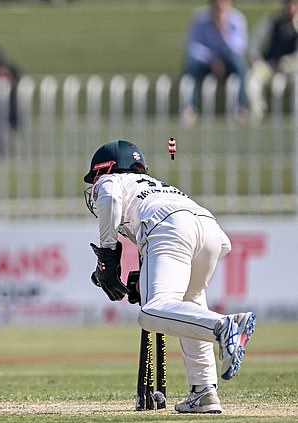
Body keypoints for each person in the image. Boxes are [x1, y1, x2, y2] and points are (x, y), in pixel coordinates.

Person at [83, 139, 256, 414]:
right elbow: (222, 244)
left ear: (107, 169)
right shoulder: (158, 185)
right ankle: (204, 391)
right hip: (209, 229)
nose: (94, 184)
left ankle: (225, 326)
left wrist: (106, 255)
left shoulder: (112, 180)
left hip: (167, 226)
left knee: (152, 312)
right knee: (190, 302)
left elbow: (109, 197)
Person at [182, 0, 249, 123]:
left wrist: (223, 30)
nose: (220, 7)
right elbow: (193, 47)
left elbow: (238, 47)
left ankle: (240, 107)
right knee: (191, 65)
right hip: (207, 62)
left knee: (240, 65)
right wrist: (212, 60)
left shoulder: (237, 20)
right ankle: (190, 107)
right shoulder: (199, 20)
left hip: (228, 61)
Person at [247, 0, 298, 119]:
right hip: (268, 66)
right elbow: (254, 43)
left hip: (292, 69)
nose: (290, 8)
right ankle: (257, 115)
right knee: (252, 81)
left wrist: (286, 64)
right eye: (288, 4)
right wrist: (256, 60)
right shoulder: (272, 22)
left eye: (294, 5)